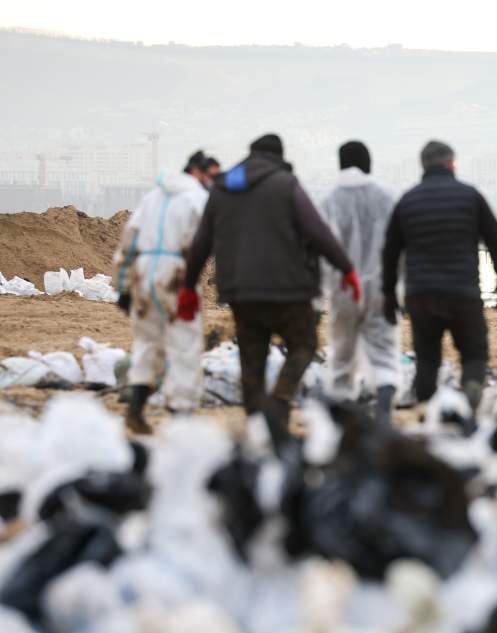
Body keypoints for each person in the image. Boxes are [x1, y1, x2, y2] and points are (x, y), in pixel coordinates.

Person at [181, 133, 360, 438]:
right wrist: (347, 268)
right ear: (279, 155)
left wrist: (188, 285)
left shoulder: (224, 187)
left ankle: (256, 423)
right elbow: (318, 232)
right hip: (288, 289)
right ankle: (280, 399)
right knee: (304, 346)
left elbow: (201, 242)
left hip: (241, 291)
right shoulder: (285, 184)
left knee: (252, 357)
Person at [382, 140, 497, 409]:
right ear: (451, 163)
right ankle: (472, 390)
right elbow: (495, 241)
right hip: (463, 293)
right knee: (474, 354)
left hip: (421, 295)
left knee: (427, 359)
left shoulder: (408, 200)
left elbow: (390, 252)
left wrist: (389, 295)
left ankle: (429, 409)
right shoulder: (470, 196)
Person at [113, 150, 211, 434]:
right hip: (177, 273)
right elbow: (208, 239)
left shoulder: (151, 198)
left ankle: (135, 409)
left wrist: (122, 285)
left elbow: (128, 241)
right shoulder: (198, 198)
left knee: (146, 342)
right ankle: (181, 415)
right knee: (184, 342)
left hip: (144, 271)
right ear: (198, 173)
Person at [317, 140, 400, 420]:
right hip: (380, 284)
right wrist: (399, 286)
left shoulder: (329, 200)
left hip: (343, 286)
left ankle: (342, 414)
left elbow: (320, 248)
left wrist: (319, 291)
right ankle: (385, 403)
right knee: (384, 348)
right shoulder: (387, 196)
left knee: (342, 350)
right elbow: (400, 245)